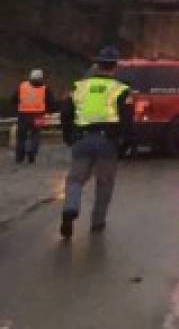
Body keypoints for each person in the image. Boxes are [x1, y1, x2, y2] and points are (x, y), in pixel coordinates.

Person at [59, 46, 132, 238]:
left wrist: (68, 136)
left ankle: (70, 209)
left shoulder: (78, 87)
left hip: (82, 140)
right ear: (115, 66)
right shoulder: (122, 90)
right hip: (107, 142)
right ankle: (97, 223)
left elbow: (65, 113)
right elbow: (127, 120)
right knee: (104, 183)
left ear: (97, 65)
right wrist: (126, 144)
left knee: (75, 179)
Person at [11, 68, 56, 165]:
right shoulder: (45, 88)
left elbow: (13, 99)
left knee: (21, 136)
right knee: (36, 135)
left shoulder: (22, 86)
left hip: (23, 115)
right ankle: (32, 152)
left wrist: (18, 107)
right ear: (41, 78)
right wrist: (49, 111)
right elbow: (51, 103)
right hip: (39, 115)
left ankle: (19, 156)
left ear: (30, 76)